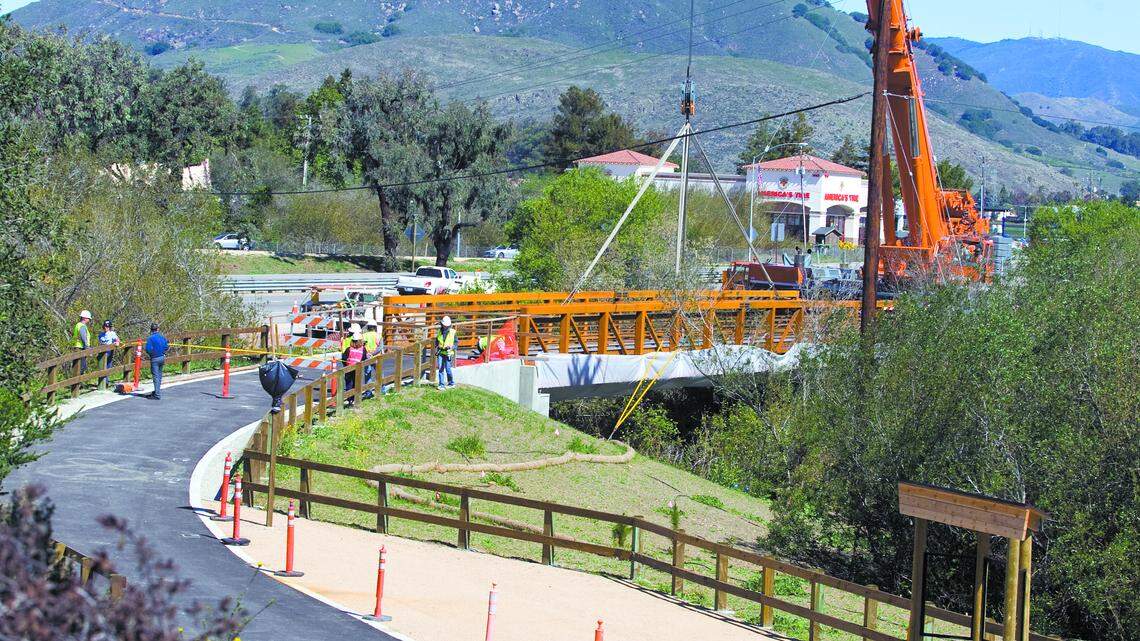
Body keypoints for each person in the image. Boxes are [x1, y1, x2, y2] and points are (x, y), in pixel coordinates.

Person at [341, 331, 368, 406]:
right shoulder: (363, 349)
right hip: (357, 369)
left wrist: (346, 365)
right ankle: (355, 398)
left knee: (349, 384)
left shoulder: (348, 349)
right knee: (356, 384)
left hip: (349, 368)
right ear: (360, 341)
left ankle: (350, 399)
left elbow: (344, 358)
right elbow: (364, 358)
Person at [144, 322, 169, 400]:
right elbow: (166, 346)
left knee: (155, 377)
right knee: (159, 375)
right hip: (162, 357)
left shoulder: (150, 338)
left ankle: (157, 394)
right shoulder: (162, 337)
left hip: (155, 358)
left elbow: (148, 349)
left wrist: (152, 354)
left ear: (151, 330)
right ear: (157, 329)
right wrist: (163, 352)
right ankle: (156, 391)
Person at [97, 320, 121, 386]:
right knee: (101, 367)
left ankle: (106, 382)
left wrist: (117, 343)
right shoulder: (101, 334)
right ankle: (101, 382)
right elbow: (99, 342)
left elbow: (117, 339)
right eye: (105, 326)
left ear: (109, 327)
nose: (106, 328)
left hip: (109, 352)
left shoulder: (112, 333)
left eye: (107, 327)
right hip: (101, 352)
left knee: (108, 366)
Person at [436, 315, 456, 391]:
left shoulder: (453, 332)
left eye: (446, 326)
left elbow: (456, 343)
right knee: (440, 368)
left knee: (448, 369)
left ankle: (451, 383)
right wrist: (437, 346)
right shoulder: (439, 332)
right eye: (444, 325)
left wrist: (452, 347)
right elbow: (437, 340)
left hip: (448, 353)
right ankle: (441, 385)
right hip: (441, 352)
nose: (445, 327)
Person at [72, 310, 93, 375]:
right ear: (84, 318)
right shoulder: (82, 326)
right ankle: (77, 383)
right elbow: (84, 338)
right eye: (88, 318)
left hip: (77, 347)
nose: (89, 320)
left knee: (77, 367)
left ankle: (77, 384)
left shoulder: (78, 325)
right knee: (82, 367)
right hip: (81, 348)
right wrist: (87, 348)